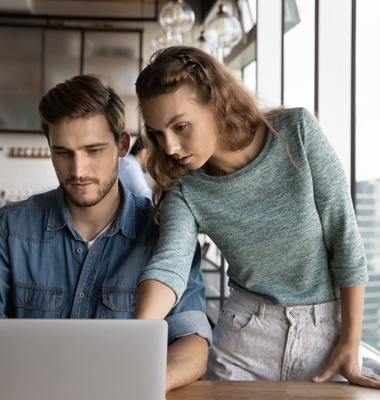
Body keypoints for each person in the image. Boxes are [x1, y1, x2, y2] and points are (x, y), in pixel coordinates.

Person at [133, 46, 380, 389]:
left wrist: (351, 341)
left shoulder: (296, 132)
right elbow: (170, 263)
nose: (171, 147)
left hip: (327, 337)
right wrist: (134, 334)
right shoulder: (185, 187)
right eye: (158, 133)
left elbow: (345, 236)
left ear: (216, 103)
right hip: (243, 338)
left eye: (181, 126)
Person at [0, 74, 212, 394]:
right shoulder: (9, 229)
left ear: (122, 146)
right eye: (63, 152)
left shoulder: (165, 233)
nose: (79, 170)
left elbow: (193, 341)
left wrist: (137, 386)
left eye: (94, 150)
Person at [119, 134, 152, 198]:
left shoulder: (128, 163)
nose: (154, 163)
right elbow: (146, 197)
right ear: (144, 153)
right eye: (153, 158)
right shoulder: (130, 167)